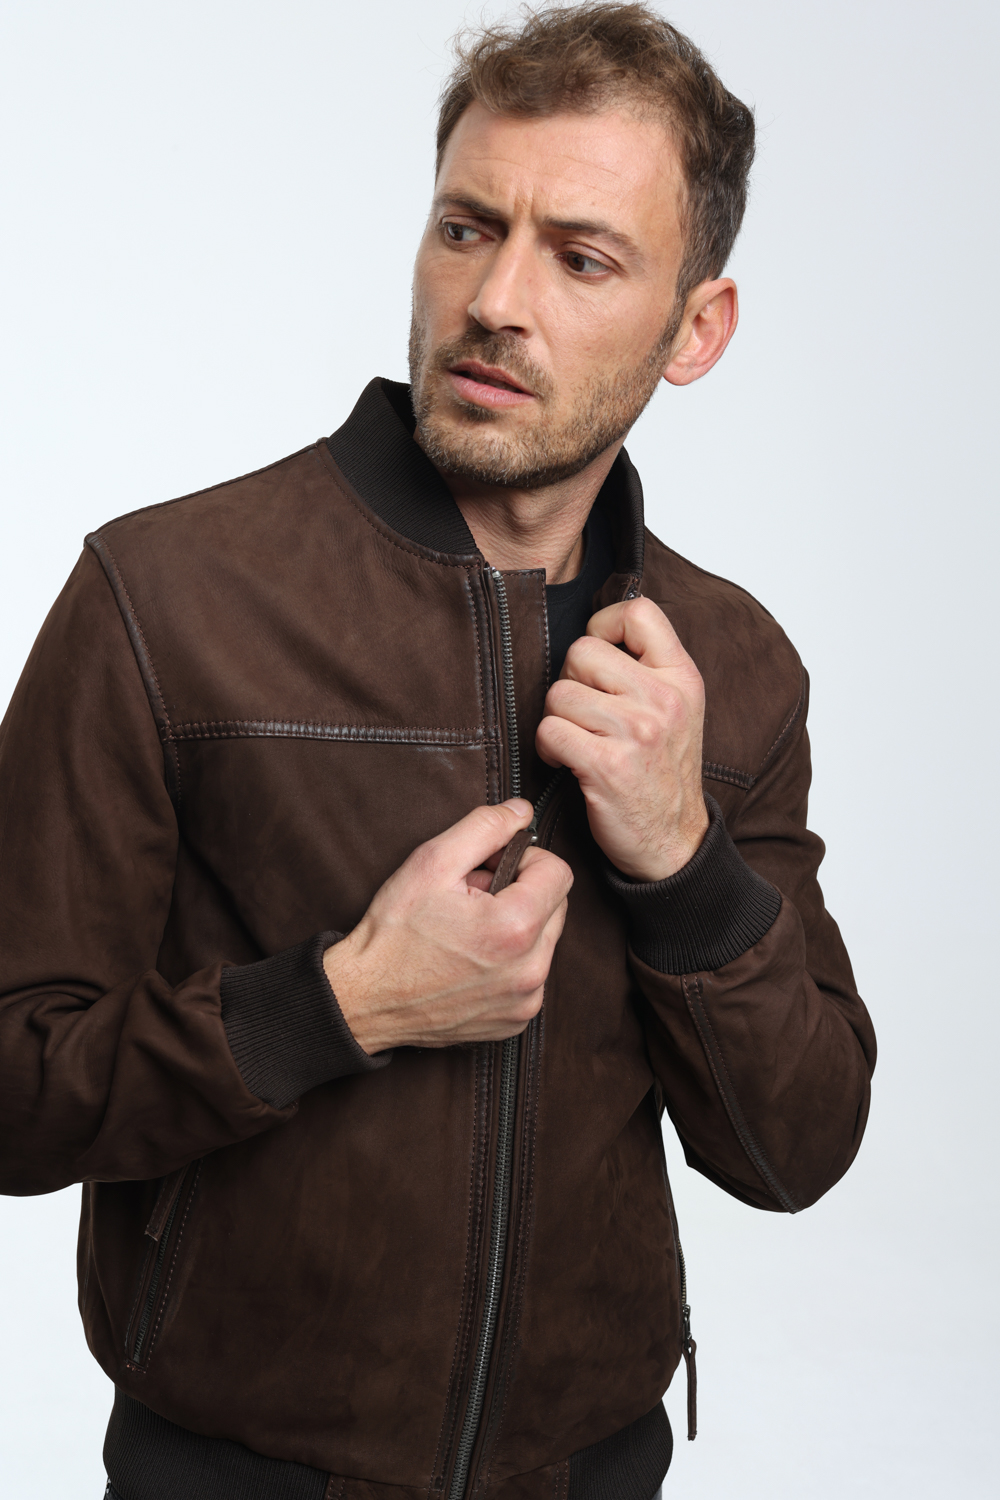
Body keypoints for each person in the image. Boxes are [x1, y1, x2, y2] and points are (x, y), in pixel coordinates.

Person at [0, 5, 876, 1498]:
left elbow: (795, 1149)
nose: (495, 300)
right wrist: (338, 1003)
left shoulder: (726, 670)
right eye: (468, 228)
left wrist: (681, 860)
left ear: (696, 329)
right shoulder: (168, 600)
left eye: (581, 258)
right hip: (231, 1472)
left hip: (591, 1471)